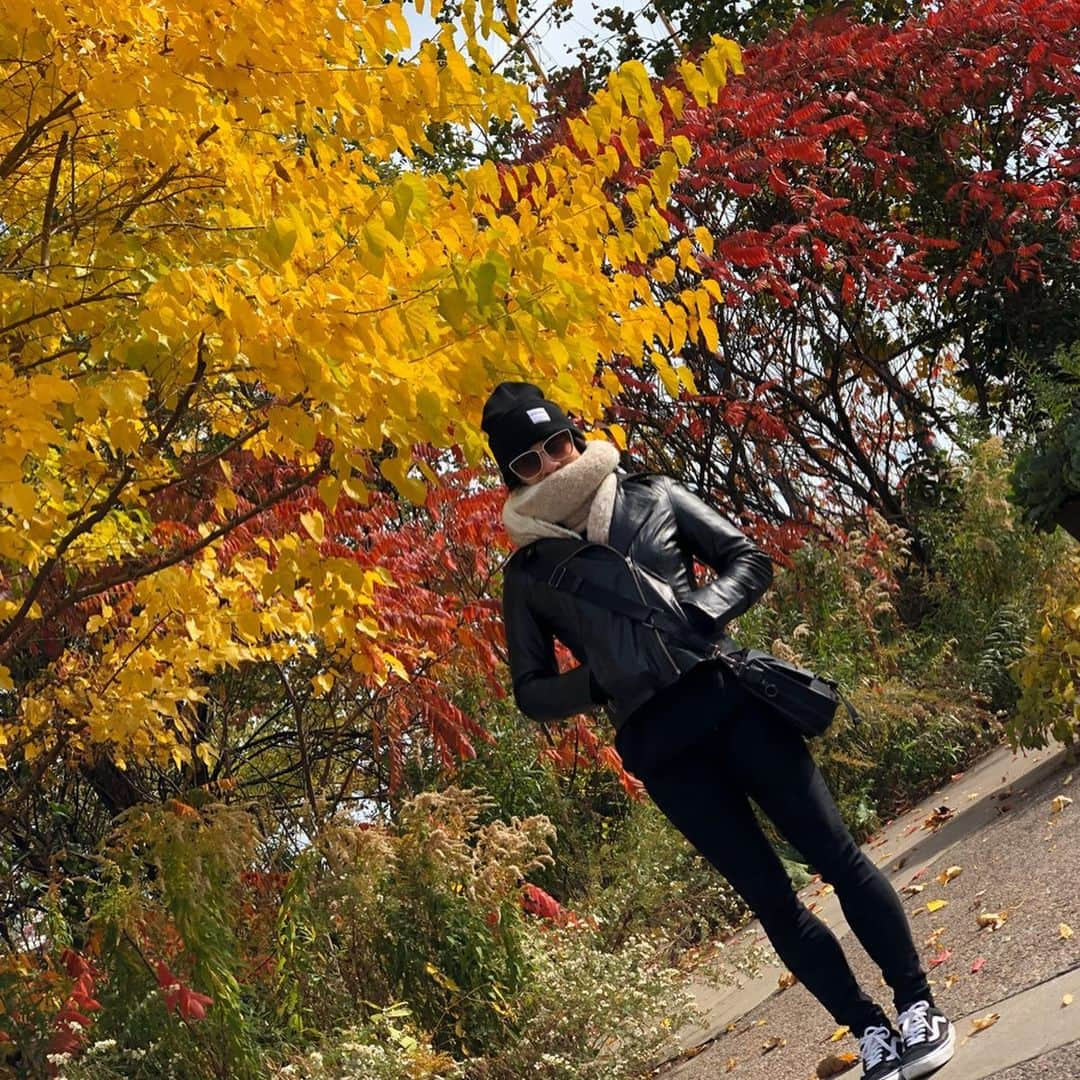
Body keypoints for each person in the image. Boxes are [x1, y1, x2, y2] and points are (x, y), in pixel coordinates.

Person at [480, 380, 957, 1080]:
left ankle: (918, 1005)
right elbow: (529, 692)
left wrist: (707, 610)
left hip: (733, 703)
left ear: (575, 436)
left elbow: (749, 559)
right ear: (511, 474)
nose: (551, 463)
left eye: (557, 443)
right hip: (662, 748)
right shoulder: (529, 572)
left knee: (836, 856)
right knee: (770, 898)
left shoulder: (654, 494)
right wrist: (602, 680)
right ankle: (868, 1030)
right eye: (530, 460)